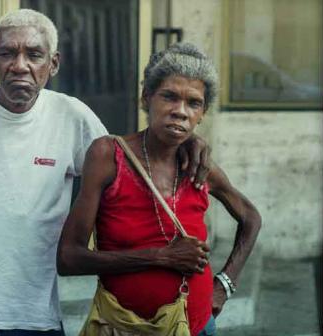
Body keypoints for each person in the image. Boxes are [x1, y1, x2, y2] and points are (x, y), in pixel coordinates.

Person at [0, 9, 212, 336]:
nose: (19, 65)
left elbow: (132, 164)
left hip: (34, 314)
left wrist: (185, 143)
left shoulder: (72, 117)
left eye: (34, 55)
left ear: (53, 64)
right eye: (7, 53)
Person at [56, 43, 262, 336]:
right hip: (126, 326)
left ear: (202, 114)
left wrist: (226, 283)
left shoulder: (199, 167)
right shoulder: (109, 156)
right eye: (169, 97)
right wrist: (161, 256)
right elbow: (68, 257)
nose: (180, 111)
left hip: (198, 326)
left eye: (193, 103)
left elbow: (251, 217)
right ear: (146, 98)